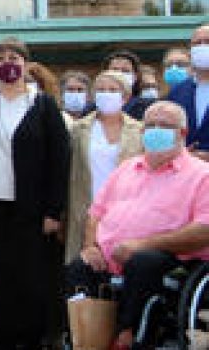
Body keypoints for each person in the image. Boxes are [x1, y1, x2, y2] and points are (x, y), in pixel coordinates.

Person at [65, 101, 209, 349]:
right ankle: (88, 337)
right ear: (142, 131)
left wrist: (142, 245)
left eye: (164, 125)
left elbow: (203, 231)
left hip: (169, 258)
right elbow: (95, 213)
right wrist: (90, 246)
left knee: (143, 262)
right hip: (111, 257)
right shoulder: (127, 168)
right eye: (150, 125)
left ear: (182, 133)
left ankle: (128, 333)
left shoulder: (201, 174)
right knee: (80, 267)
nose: (156, 130)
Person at [0, 37, 70, 349]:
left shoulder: (42, 105)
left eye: (14, 58)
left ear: (25, 64)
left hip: (30, 211)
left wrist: (53, 210)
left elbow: (59, 159)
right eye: (1, 58)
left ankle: (32, 342)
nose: (8, 63)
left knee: (30, 284)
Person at [64, 71, 144, 265]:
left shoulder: (140, 130)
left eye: (112, 90)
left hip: (125, 207)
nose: (106, 94)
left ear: (125, 96)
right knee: (83, 265)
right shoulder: (78, 129)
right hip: (85, 206)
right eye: (101, 90)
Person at [166, 24, 209, 160]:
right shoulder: (177, 92)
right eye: (197, 43)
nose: (202, 46)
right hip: (187, 168)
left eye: (207, 42)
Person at [105, 50, 154, 120]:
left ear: (135, 76)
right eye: (114, 70)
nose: (119, 74)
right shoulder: (94, 108)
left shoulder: (148, 107)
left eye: (125, 71)